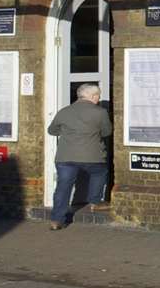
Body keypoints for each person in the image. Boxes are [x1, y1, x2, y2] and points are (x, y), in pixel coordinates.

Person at [46, 83, 111, 229]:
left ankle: (56, 220)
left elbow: (52, 131)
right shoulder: (100, 112)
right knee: (99, 172)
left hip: (65, 156)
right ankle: (95, 201)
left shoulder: (64, 111)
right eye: (98, 96)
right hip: (92, 156)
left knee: (63, 187)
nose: (98, 99)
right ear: (93, 96)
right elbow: (107, 132)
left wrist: (67, 132)